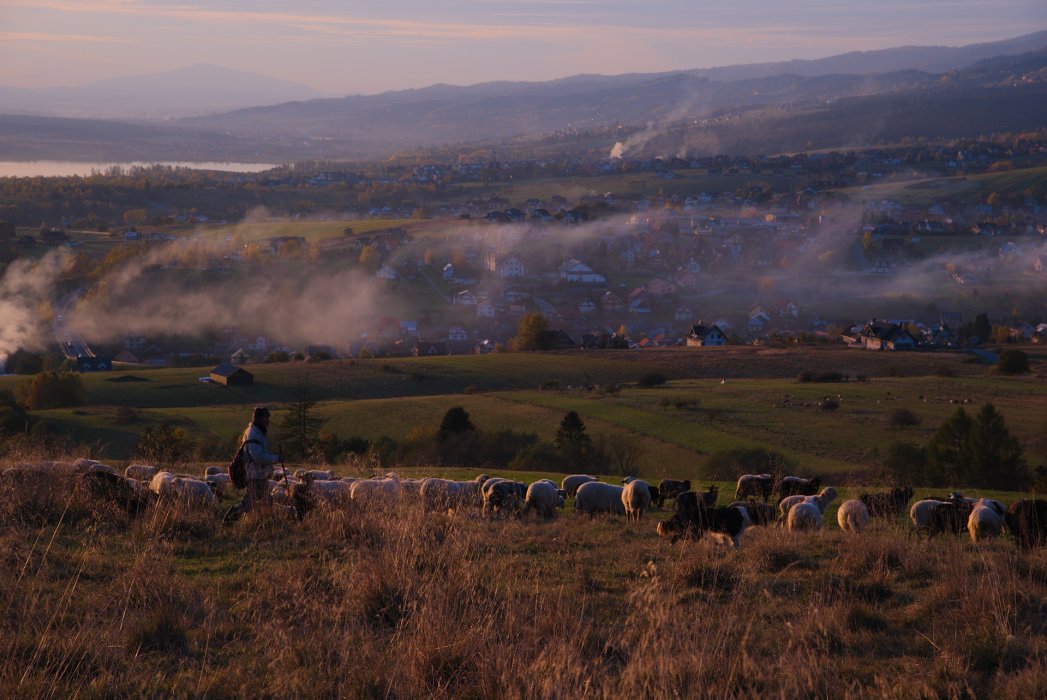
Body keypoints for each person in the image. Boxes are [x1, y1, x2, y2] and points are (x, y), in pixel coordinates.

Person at [225, 406, 282, 521]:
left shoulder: (258, 432)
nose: (268, 421)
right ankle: (230, 517)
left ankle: (269, 522)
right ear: (259, 419)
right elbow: (258, 457)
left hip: (259, 474)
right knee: (249, 503)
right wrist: (277, 458)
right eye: (266, 418)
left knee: (266, 500)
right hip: (255, 475)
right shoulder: (254, 434)